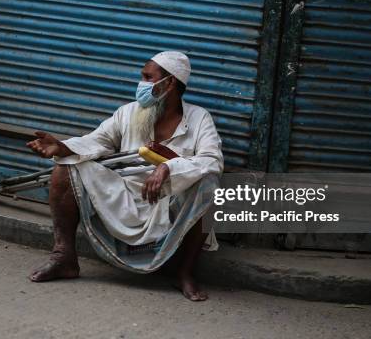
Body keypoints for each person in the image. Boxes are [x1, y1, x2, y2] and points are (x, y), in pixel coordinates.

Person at [26, 51, 224, 301]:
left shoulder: (199, 118)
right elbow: (97, 140)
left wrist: (169, 168)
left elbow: (212, 160)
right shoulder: (128, 112)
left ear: (170, 82)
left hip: (169, 204)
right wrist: (64, 147)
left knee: (210, 184)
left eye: (147, 77)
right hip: (125, 196)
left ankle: (185, 273)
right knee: (65, 167)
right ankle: (63, 257)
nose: (140, 84)